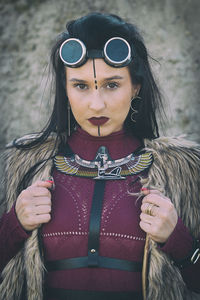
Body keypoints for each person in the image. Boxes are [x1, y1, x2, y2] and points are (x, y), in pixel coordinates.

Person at [0, 12, 200, 300]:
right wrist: (12, 225)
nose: (96, 104)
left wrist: (180, 242)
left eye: (112, 84)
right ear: (65, 90)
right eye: (81, 86)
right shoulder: (18, 166)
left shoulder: (186, 169)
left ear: (136, 87)